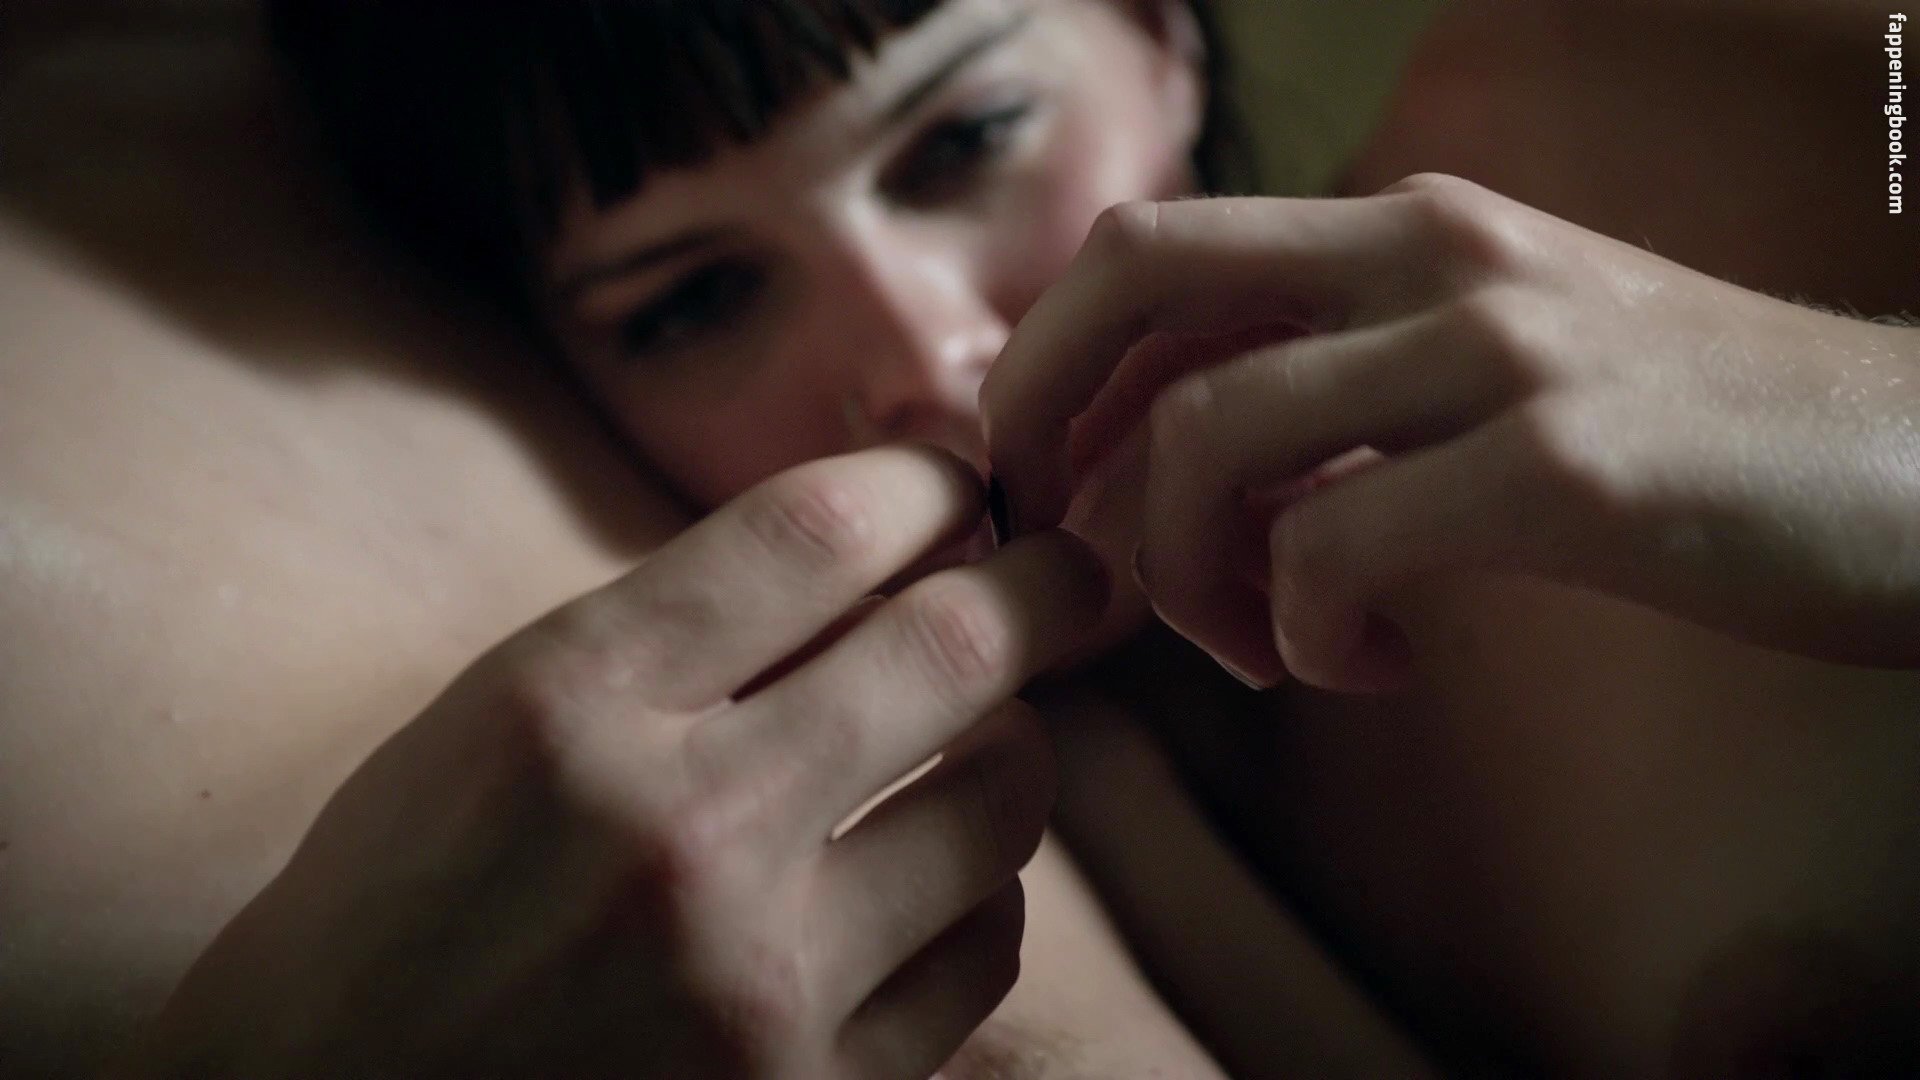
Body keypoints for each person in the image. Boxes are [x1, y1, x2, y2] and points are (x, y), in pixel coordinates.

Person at [4, 0, 1916, 1077]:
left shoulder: (1718, 109)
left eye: (966, 137)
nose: (923, 365)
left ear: (1162, 37)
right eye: (694, 300)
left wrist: (1870, 427)